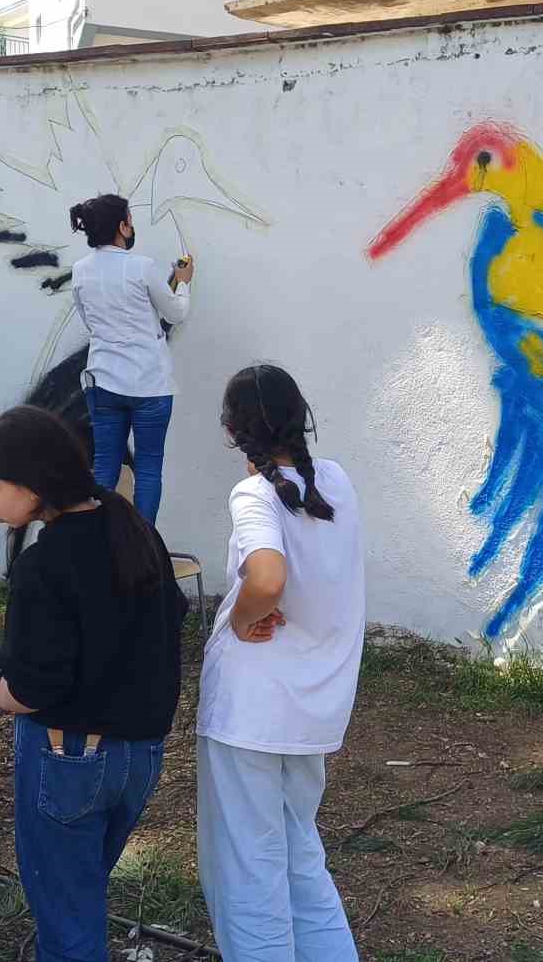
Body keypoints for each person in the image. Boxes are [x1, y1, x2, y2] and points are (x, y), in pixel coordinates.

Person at [0, 405, 185, 961]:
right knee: (82, 894)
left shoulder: (44, 564)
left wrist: (2, 693)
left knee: (69, 921)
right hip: (140, 755)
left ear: (35, 481)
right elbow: (173, 619)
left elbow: (30, 686)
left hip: (68, 757)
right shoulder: (133, 528)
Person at [196, 365, 365, 961]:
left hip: (251, 708)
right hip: (314, 704)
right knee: (299, 856)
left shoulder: (253, 493)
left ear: (231, 432)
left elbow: (266, 577)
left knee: (248, 867)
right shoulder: (338, 481)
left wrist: (243, 617)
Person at [69, 194, 194, 525]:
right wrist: (183, 284)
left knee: (105, 467)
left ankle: (94, 542)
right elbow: (176, 313)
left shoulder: (80, 271)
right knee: (149, 469)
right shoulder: (142, 267)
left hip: (103, 381)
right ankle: (143, 549)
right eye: (130, 220)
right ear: (122, 227)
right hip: (149, 383)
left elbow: (89, 320)